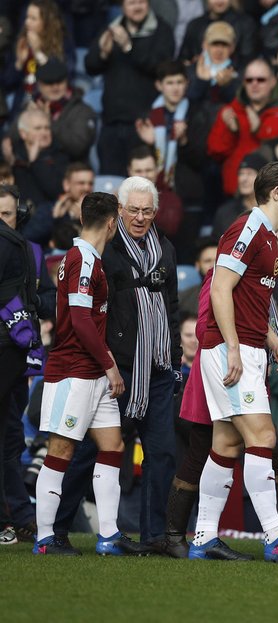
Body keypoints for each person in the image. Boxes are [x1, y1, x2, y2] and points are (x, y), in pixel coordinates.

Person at [189, 162, 278, 562]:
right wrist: (233, 345)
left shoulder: (267, 235)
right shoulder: (248, 228)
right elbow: (220, 287)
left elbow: (251, 301)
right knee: (263, 437)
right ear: (276, 193)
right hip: (231, 349)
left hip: (248, 345)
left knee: (227, 442)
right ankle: (277, 535)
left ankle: (203, 538)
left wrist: (274, 342)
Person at [49, 176, 181, 555]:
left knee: (162, 453)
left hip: (155, 368)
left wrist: (173, 353)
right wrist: (106, 362)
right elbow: (91, 312)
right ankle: (56, 531)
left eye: (147, 210)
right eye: (133, 210)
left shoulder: (166, 248)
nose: (140, 217)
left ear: (156, 212)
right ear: (118, 211)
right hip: (117, 369)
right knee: (91, 451)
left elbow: (171, 305)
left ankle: (154, 535)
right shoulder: (103, 248)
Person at [33, 192, 151, 556]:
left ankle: (109, 535)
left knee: (112, 446)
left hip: (92, 373)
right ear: (113, 222)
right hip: (75, 372)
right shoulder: (83, 259)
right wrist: (110, 365)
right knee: (61, 450)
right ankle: (44, 539)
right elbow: (81, 321)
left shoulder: (85, 259)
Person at [0, 184, 48, 543]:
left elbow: (44, 298)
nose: (3, 222)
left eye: (7, 215)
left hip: (16, 356)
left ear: (20, 217)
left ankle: (18, 515)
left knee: (12, 437)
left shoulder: (30, 251)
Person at [85, 0, 176, 175]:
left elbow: (162, 68)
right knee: (111, 191)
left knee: (143, 186)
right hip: (112, 124)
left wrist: (129, 47)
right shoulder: (112, 29)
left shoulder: (162, 30)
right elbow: (90, 66)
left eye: (141, 2)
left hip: (145, 125)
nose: (137, 7)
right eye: (131, 3)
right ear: (122, 7)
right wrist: (103, 53)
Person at [207, 58, 278, 197]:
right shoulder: (232, 110)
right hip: (236, 195)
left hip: (274, 196)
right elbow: (215, 151)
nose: (254, 84)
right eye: (249, 80)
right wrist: (231, 131)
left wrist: (259, 131)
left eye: (261, 80)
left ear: (273, 81)